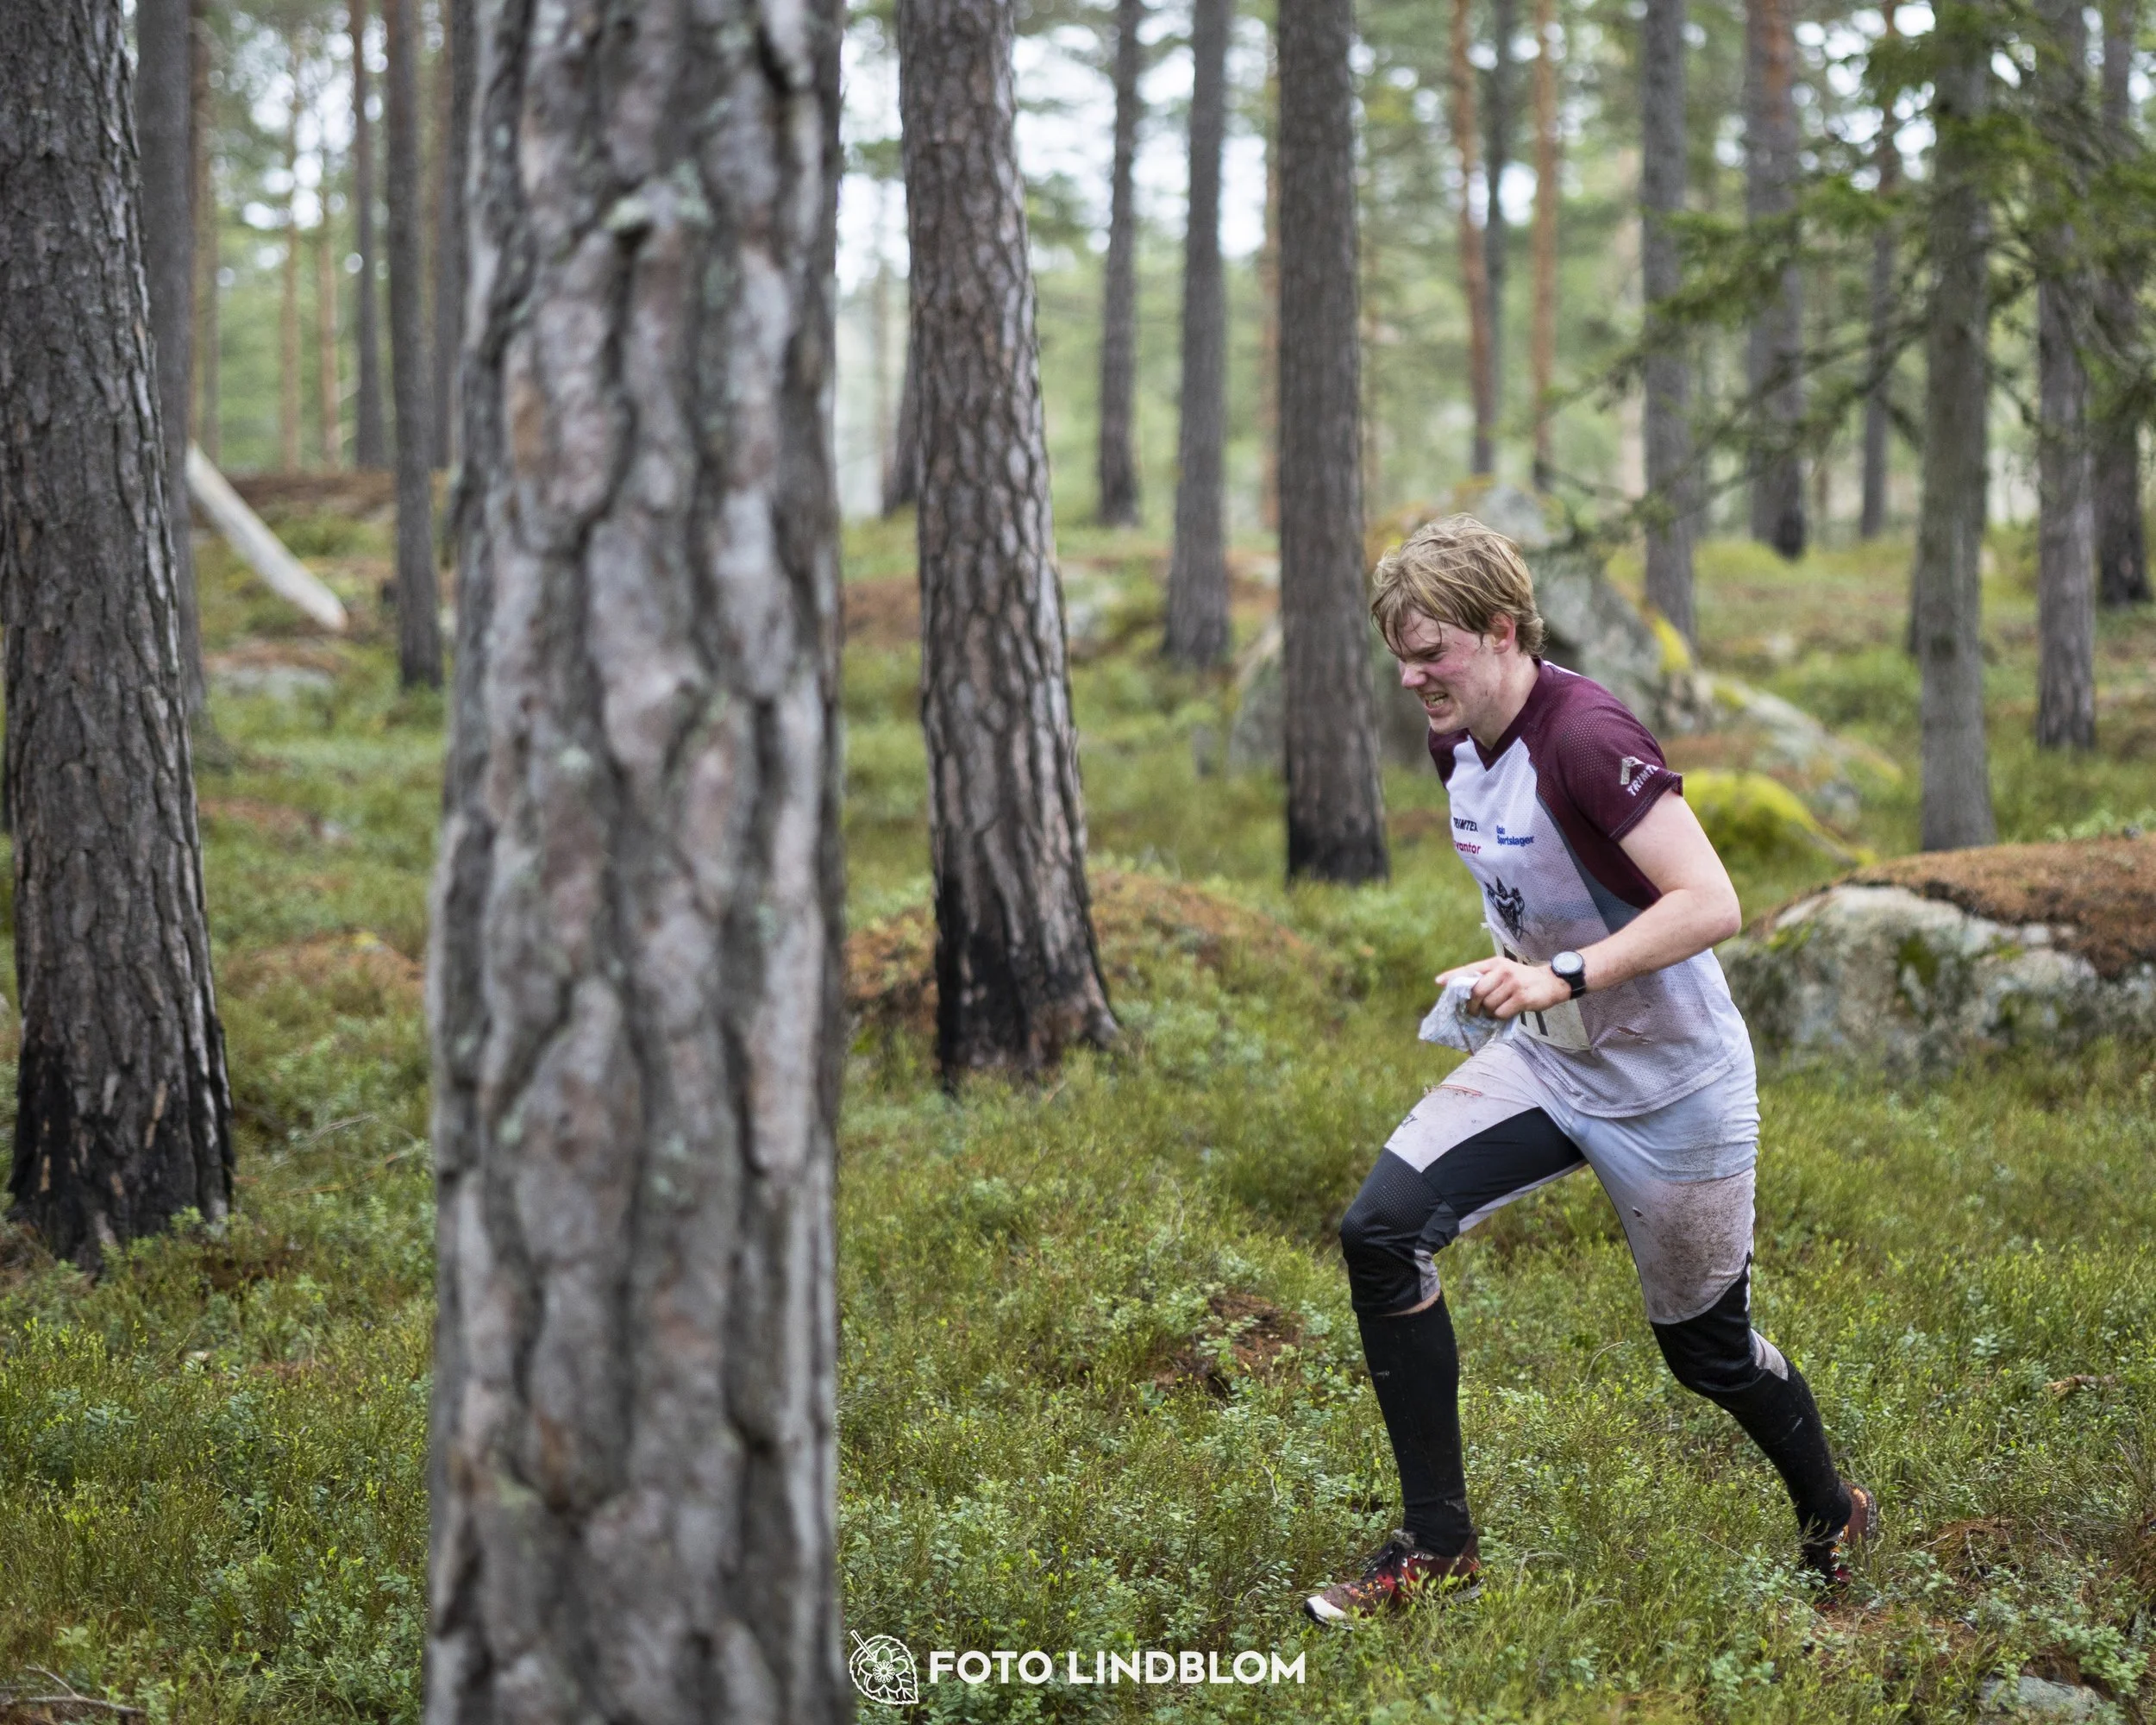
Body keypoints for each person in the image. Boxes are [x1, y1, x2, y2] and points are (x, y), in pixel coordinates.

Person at [1303, 516, 1873, 1626]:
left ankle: (1829, 1509)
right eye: (1399, 654)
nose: (1411, 676)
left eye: (1431, 652)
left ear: (1500, 628)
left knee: (1704, 1352)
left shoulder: (1584, 731)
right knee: (1380, 1230)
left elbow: (1712, 903)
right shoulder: (1457, 732)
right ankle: (1438, 1545)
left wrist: (1564, 969)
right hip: (1555, 1065)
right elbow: (1540, 876)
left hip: (1672, 1089)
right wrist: (1514, 964)